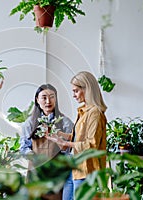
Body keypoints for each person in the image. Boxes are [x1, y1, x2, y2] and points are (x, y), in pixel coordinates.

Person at [46, 71, 107, 200]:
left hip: (85, 169)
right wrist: (58, 134)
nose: (73, 95)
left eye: (76, 91)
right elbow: (77, 137)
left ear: (87, 89)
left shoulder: (95, 113)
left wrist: (65, 144)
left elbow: (92, 145)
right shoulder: (83, 111)